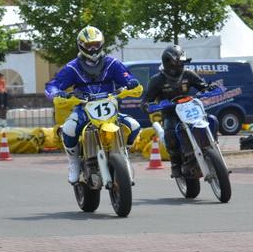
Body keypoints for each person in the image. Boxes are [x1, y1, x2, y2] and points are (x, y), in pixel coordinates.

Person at [45, 25, 142, 184]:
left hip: (110, 108)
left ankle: (123, 151)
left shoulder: (112, 63)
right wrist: (56, 93)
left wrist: (131, 82)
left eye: (96, 44)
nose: (93, 49)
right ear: (81, 45)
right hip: (83, 108)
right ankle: (74, 163)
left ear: (102, 44)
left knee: (134, 126)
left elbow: (127, 77)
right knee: (69, 129)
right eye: (89, 45)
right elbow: (53, 85)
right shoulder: (72, 67)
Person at [142, 45, 216, 179]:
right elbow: (147, 99)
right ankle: (176, 163)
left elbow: (202, 86)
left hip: (190, 110)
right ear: (169, 62)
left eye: (183, 62)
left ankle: (212, 146)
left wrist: (209, 88)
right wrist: (147, 105)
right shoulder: (157, 80)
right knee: (170, 133)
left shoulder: (188, 74)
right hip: (171, 113)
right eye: (179, 62)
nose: (182, 64)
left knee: (212, 120)